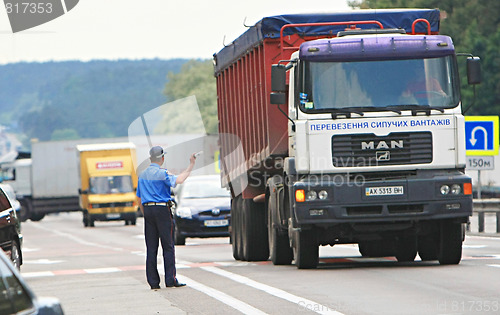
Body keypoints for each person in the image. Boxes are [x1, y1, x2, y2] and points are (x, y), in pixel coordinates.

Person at [136, 146, 197, 290]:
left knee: (151, 248)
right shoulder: (163, 174)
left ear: (150, 158)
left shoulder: (142, 175)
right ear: (162, 158)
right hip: (162, 210)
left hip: (148, 210)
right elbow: (180, 180)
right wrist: (191, 165)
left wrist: (146, 213)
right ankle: (170, 279)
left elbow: (139, 198)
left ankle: (153, 282)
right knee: (168, 246)